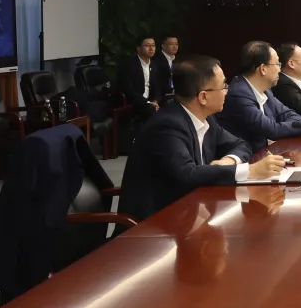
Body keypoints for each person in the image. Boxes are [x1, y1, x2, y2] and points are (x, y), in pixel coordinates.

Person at [118, 55, 284, 221]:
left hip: (192, 211)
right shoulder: (167, 125)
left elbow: (241, 145)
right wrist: (250, 171)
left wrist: (229, 161)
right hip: (155, 224)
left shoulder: (207, 119)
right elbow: (186, 174)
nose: (227, 91)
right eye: (224, 86)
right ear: (203, 97)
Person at [217, 41, 301, 153]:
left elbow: (290, 115)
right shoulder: (239, 94)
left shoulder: (265, 90)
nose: (280, 69)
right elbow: (272, 130)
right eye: (277, 64)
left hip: (271, 152)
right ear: (263, 69)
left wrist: (286, 126)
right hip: (250, 159)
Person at [116, 36, 165, 119]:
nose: (151, 49)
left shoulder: (155, 64)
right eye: (147, 46)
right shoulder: (128, 65)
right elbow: (129, 90)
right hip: (135, 101)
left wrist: (155, 101)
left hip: (151, 101)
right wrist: (148, 102)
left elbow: (158, 87)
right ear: (138, 48)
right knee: (151, 111)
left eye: (153, 45)